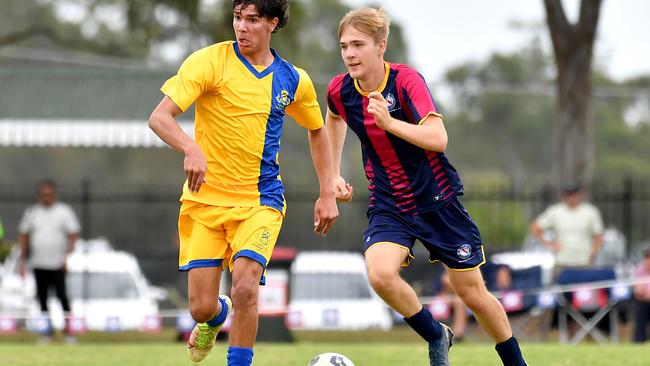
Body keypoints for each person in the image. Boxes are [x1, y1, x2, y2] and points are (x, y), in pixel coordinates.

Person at [326, 7, 527, 366]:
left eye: (358, 44)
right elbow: (334, 116)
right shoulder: (341, 90)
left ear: (381, 46)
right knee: (380, 274)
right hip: (391, 204)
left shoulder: (405, 81)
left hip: (438, 202)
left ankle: (516, 363)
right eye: (344, 46)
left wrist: (389, 123)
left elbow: (438, 138)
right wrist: (333, 175)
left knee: (473, 294)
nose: (350, 54)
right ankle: (436, 335)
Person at [148, 1, 338, 365]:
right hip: (205, 203)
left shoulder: (293, 79)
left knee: (246, 287)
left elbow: (317, 129)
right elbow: (160, 118)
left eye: (252, 20)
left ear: (273, 23)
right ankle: (215, 317)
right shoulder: (209, 62)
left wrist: (327, 190)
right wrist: (190, 147)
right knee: (201, 308)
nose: (242, 27)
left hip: (260, 202)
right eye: (237, 18)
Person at [18, 180, 80, 342]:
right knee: (42, 299)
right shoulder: (32, 212)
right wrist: (22, 260)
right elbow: (24, 235)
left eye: (49, 194)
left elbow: (73, 234)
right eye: (43, 195)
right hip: (38, 264)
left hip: (58, 264)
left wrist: (67, 255)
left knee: (63, 298)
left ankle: (69, 332)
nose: (46, 198)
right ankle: (47, 332)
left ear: (54, 195)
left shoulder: (64, 212)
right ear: (39, 196)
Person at [530, 184, 604, 275]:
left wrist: (593, 255)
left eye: (574, 194)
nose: (572, 197)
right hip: (562, 262)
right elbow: (535, 227)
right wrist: (548, 243)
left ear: (580, 194)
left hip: (584, 263)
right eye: (569, 194)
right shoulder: (555, 211)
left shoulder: (590, 211)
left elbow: (598, 236)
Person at [633, 244, 650, 343]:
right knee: (640, 308)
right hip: (644, 301)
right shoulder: (640, 269)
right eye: (646, 257)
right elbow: (637, 291)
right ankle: (639, 340)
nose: (648, 260)